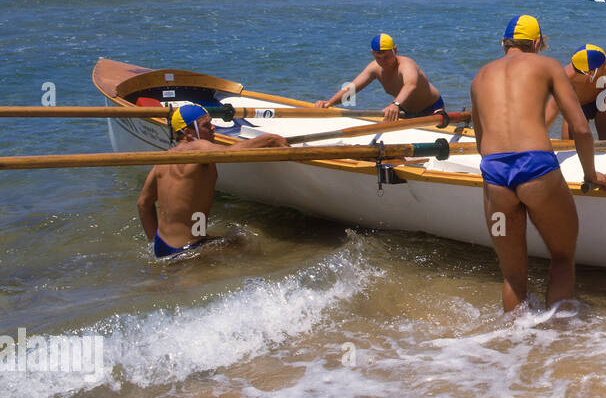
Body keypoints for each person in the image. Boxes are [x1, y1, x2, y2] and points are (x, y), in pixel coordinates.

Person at [470, 15, 606, 313]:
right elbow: (581, 129)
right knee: (561, 257)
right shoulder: (547, 66)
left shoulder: (480, 76)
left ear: (505, 43)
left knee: (512, 273)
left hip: (495, 175)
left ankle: (513, 345)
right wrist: (590, 175)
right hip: (536, 168)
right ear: (537, 43)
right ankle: (557, 342)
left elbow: (481, 143)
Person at [138, 105, 287, 259]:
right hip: (187, 249)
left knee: (227, 238)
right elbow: (230, 153)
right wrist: (270, 139)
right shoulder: (198, 147)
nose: (213, 127)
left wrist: (153, 242)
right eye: (206, 125)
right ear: (188, 133)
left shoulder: (163, 160)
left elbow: (143, 203)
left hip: (162, 245)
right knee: (246, 242)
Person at [315, 33, 446, 123]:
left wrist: (395, 104)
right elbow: (352, 88)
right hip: (404, 112)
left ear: (395, 50)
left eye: (387, 57)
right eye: (378, 58)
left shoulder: (406, 64)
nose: (383, 61)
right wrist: (328, 103)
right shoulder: (374, 68)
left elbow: (411, 85)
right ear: (373, 54)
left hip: (432, 110)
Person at [544, 45, 606, 153]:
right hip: (577, 107)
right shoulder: (567, 76)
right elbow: (553, 108)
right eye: (603, 63)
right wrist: (535, 138)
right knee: (568, 151)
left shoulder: (604, 65)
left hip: (601, 103)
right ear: (591, 71)